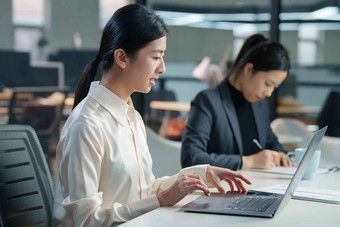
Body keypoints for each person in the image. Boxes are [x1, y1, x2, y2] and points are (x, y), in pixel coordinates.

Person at [53, 4, 251, 226]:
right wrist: (158, 200)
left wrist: (202, 174)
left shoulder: (131, 117)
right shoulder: (86, 124)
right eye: (156, 57)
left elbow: (144, 190)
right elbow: (86, 219)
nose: (162, 68)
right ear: (122, 58)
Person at [181, 33, 295, 171]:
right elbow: (191, 158)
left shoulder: (259, 102)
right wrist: (248, 162)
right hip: (220, 189)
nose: (269, 93)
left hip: (258, 186)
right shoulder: (208, 101)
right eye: (267, 83)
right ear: (249, 69)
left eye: (274, 87)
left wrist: (280, 154)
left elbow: (269, 140)